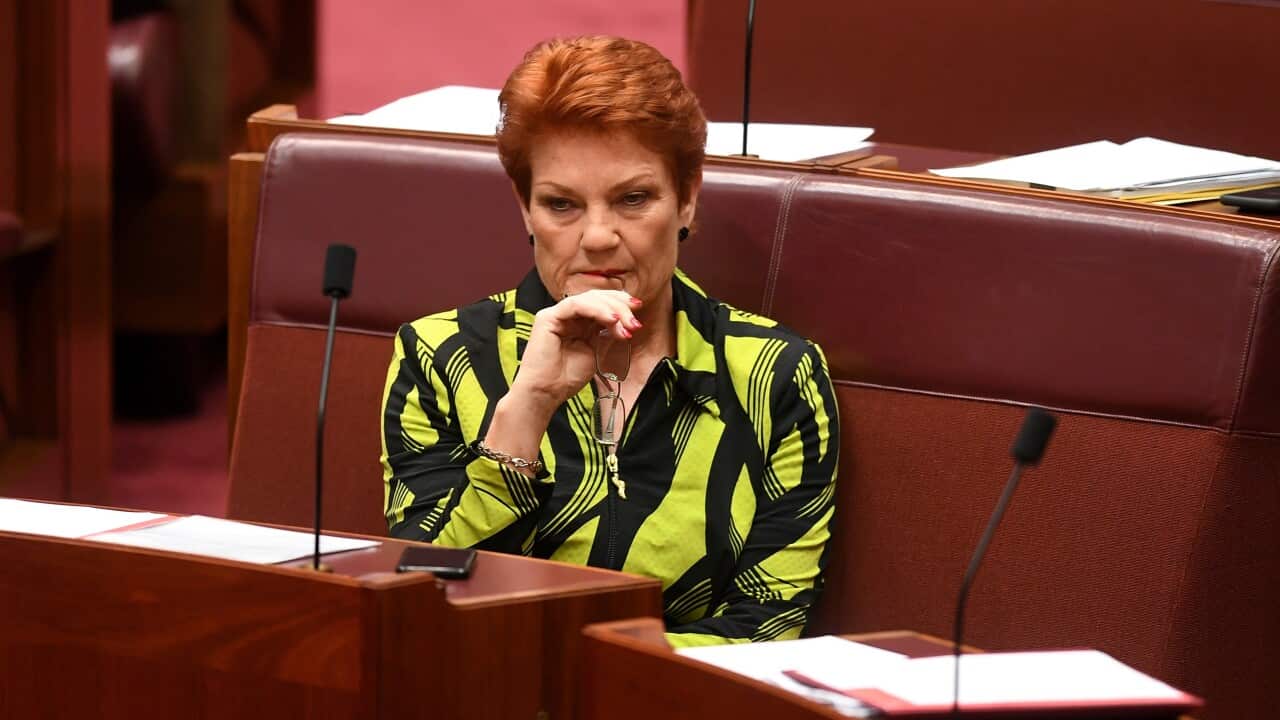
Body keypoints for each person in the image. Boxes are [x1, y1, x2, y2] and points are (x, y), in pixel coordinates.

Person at [380, 36, 838, 647]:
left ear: (688, 197)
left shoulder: (774, 374)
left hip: (677, 691)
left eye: (633, 199)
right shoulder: (441, 356)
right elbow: (420, 601)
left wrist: (592, 671)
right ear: (525, 209)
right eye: (561, 204)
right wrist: (526, 410)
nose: (597, 237)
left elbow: (766, 625)